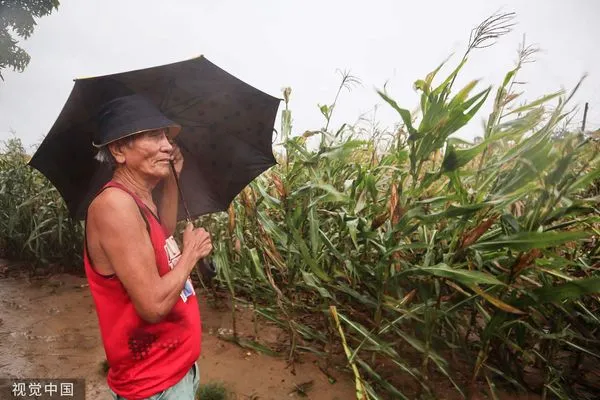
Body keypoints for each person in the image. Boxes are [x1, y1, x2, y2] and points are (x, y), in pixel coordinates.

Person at [83, 94, 212, 400]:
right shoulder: (115, 205)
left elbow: (159, 238)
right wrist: (190, 254)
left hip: (175, 369)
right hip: (155, 384)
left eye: (166, 137)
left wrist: (172, 179)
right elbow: (152, 306)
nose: (168, 145)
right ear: (118, 150)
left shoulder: (139, 198)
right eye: (154, 136)